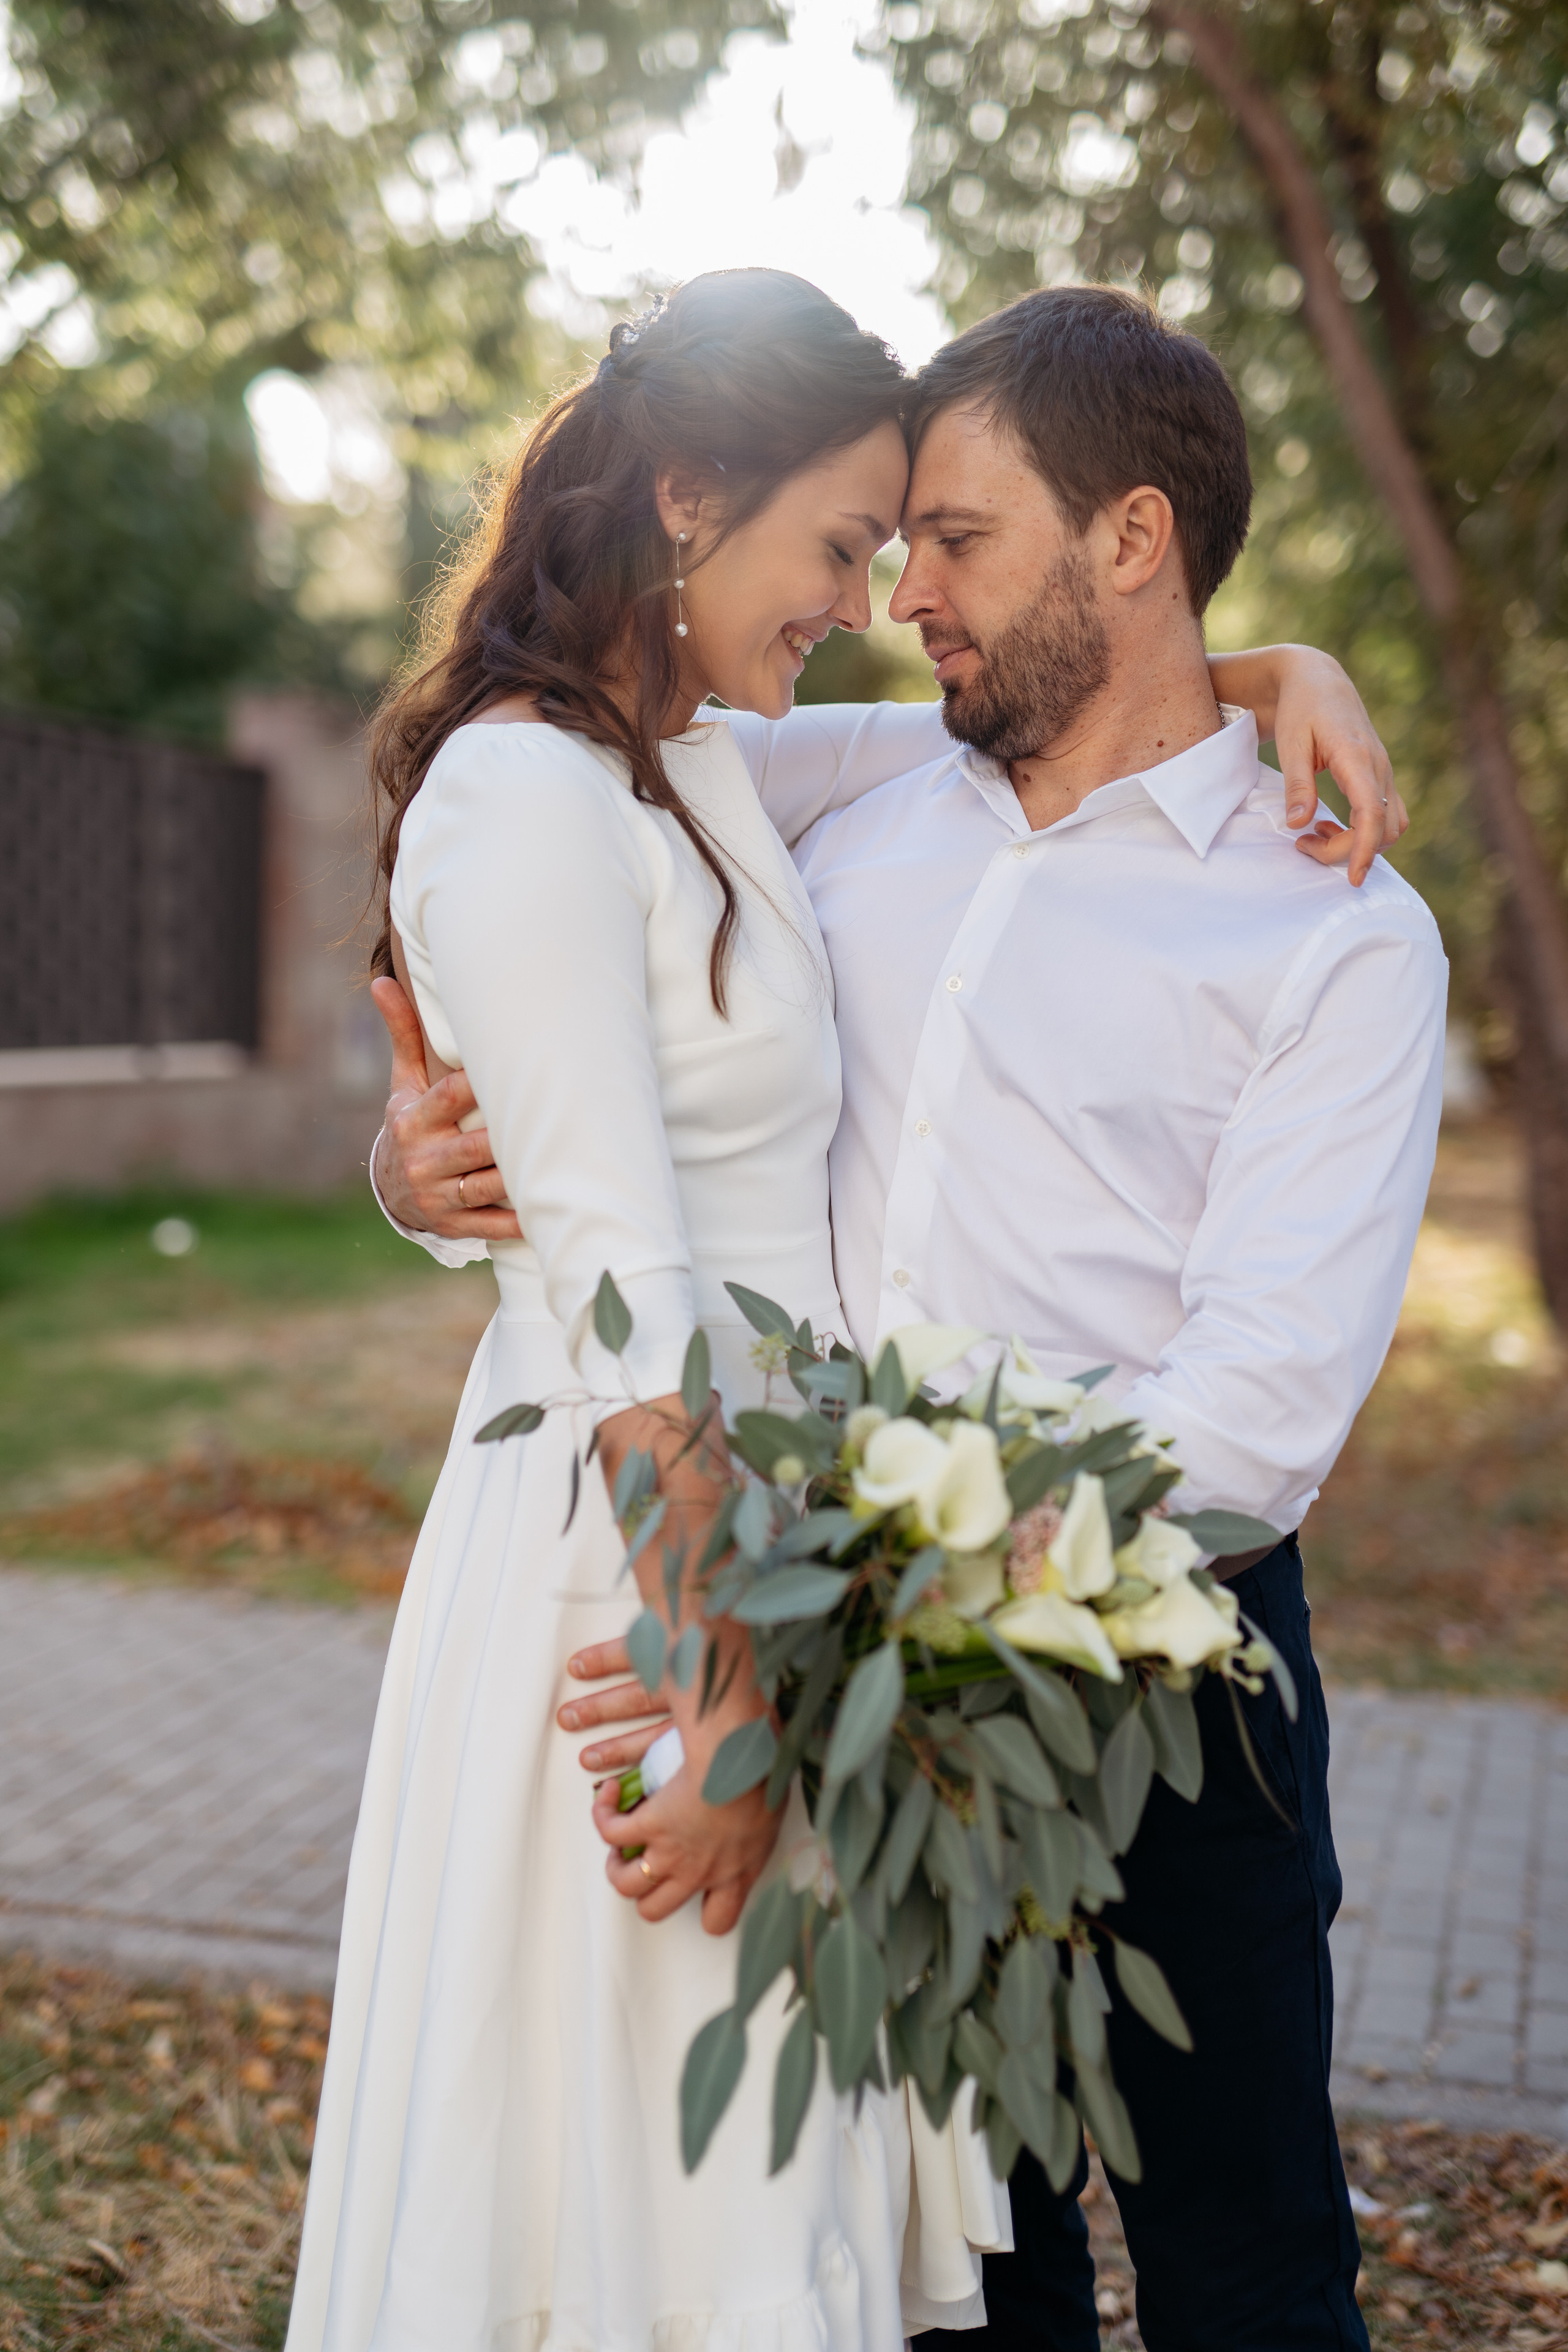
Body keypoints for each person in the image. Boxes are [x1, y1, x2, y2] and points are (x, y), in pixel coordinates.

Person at [376, 287, 1445, 2351]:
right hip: (820, 1659)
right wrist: (415, 1168)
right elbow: (560, 914)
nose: (901, 600)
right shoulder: (836, 798)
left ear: (1130, 538)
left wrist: (861, 1618)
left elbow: (1260, 1412)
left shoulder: (1333, 927)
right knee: (955, 2267)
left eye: (951, 541)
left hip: (1151, 1666)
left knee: (1242, 2262)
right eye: (883, 544)